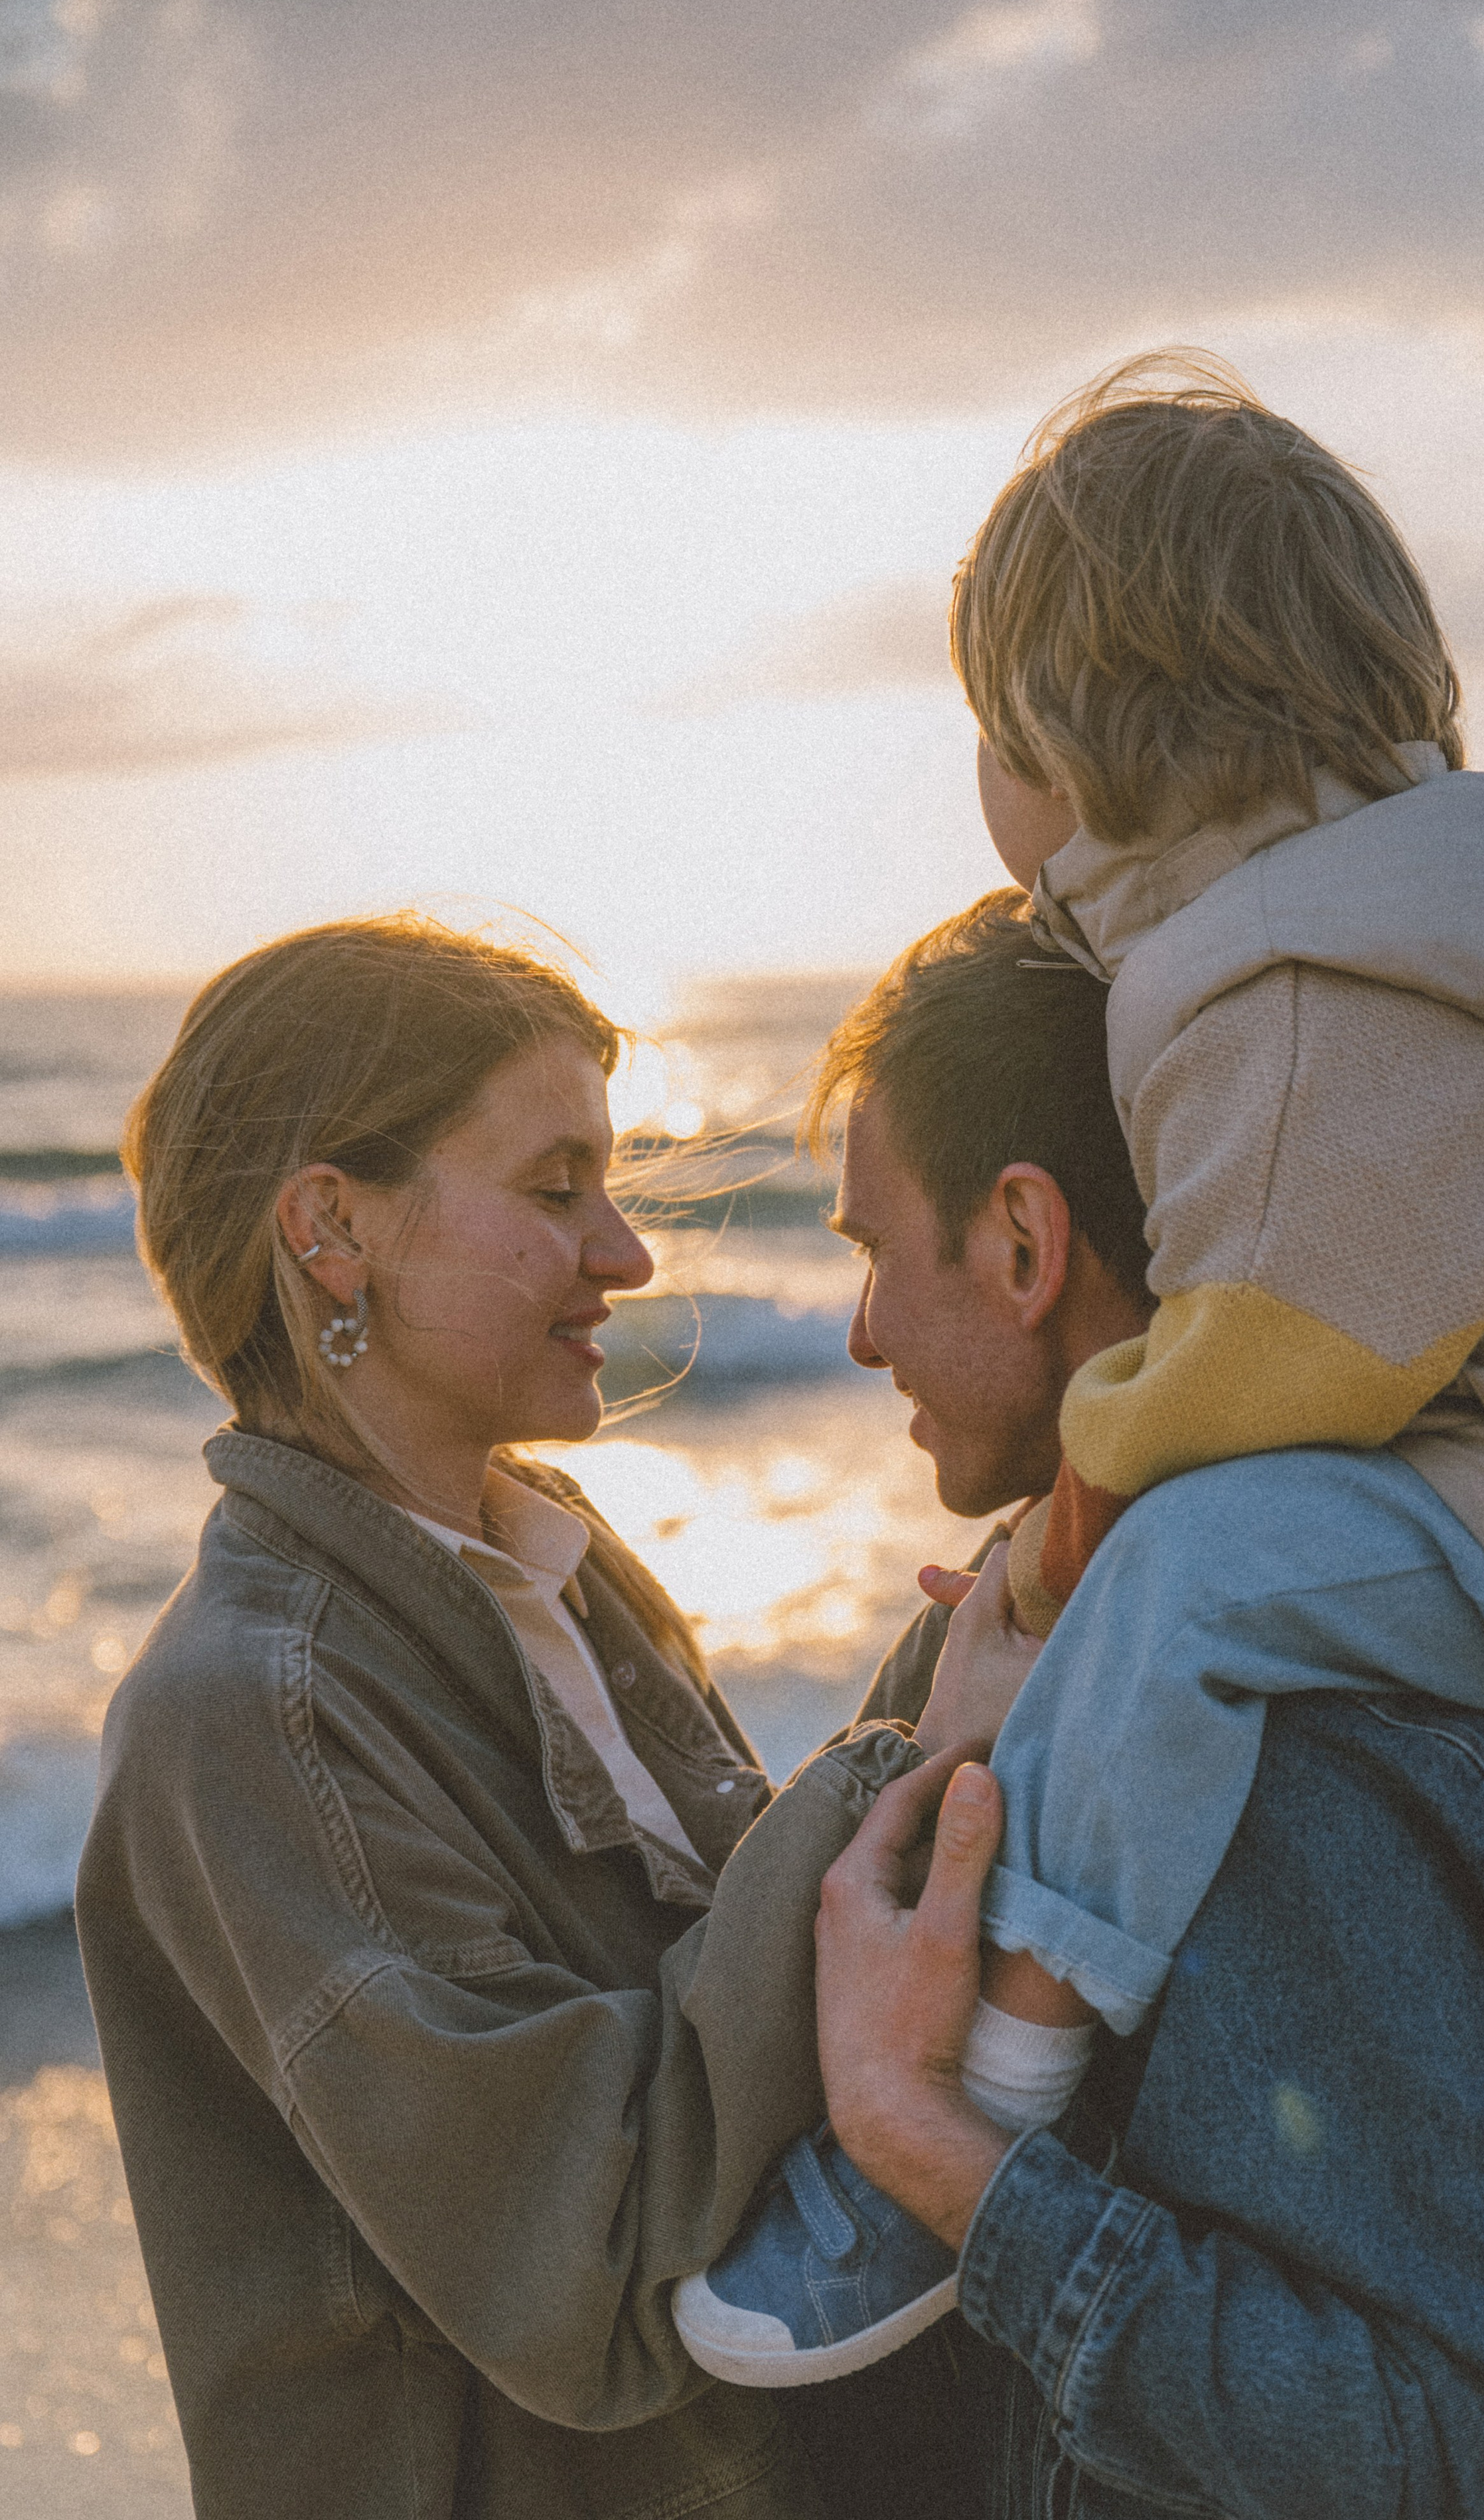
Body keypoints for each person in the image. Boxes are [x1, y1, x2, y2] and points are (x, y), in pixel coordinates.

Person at [676, 353, 1484, 2386]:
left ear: (1074, 723)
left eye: (988, 727)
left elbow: (1278, 1362)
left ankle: (977, 2095)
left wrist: (1065, 1554)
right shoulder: (1464, 877)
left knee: (1200, 1570)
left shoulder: (1270, 963)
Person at [707, 896, 1484, 2512]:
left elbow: (1433, 2461)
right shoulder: (1477, 1586)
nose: (860, 1327)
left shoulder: (1290, 1758)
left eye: (874, 1250)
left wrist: (928, 2148)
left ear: (1023, 1243)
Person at [73, 914, 996, 2520]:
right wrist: (896, 1772)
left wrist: (967, 1665)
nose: (628, 1254)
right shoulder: (252, 1716)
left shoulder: (555, 1562)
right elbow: (591, 2256)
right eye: (555, 1189)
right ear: (330, 1230)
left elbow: (721, 1980)